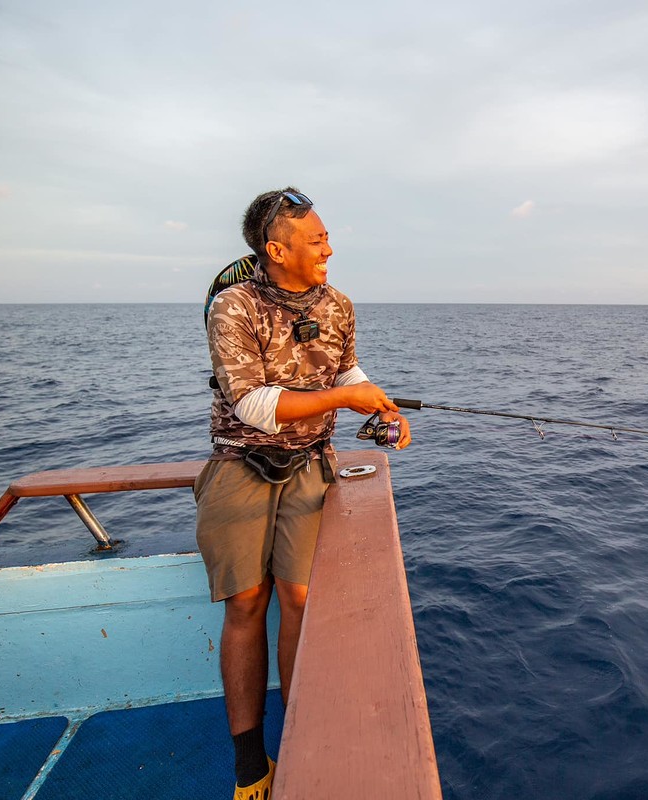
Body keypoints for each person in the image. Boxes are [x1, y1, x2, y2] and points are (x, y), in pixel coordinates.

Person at [195, 187, 411, 800]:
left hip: (312, 465)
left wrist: (383, 407)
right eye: (316, 241)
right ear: (276, 249)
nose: (329, 249)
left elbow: (346, 370)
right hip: (241, 463)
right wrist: (345, 399)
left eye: (326, 237)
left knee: (298, 599)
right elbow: (254, 405)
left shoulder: (338, 304)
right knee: (244, 605)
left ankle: (298, 740)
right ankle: (249, 766)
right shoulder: (233, 308)